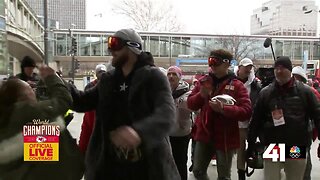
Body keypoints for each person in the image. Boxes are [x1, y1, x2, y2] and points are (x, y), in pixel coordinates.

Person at [70, 29, 180, 180]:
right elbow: (82, 102)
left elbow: (167, 113)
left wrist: (139, 132)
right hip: (108, 168)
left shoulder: (154, 77)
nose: (111, 50)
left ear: (133, 47)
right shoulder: (108, 80)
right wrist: (56, 82)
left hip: (146, 167)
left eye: (115, 44)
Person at [0, 66, 84, 179]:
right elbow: (63, 100)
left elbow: (39, 155)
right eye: (30, 89)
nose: (34, 91)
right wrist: (52, 78)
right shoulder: (27, 111)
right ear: (21, 98)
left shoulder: (12, 121)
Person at [247, 56, 320, 180]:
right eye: (276, 68)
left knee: (295, 176)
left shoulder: (305, 92)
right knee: (271, 177)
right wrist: (251, 143)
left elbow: (318, 117)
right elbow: (256, 120)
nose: (279, 71)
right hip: (274, 145)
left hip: (295, 146)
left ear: (290, 70)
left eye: (283, 68)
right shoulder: (266, 93)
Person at [187, 49, 252, 180]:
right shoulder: (204, 82)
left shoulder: (237, 85)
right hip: (204, 134)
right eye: (210, 62)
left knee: (224, 176)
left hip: (226, 136)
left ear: (226, 64)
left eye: (215, 62)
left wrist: (224, 109)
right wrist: (201, 95)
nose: (212, 66)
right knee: (198, 170)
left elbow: (246, 111)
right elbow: (191, 104)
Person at [234, 58, 261, 180]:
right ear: (239, 68)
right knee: (237, 149)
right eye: (245, 67)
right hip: (234, 123)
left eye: (250, 67)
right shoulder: (231, 81)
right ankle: (240, 172)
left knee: (246, 149)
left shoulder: (255, 85)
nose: (247, 70)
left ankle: (243, 171)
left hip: (249, 123)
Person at [292, 66, 320, 180]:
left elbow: (317, 113)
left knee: (302, 161)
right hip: (286, 134)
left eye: (296, 77)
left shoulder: (310, 92)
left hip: (303, 133)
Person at [167, 66, 192, 180]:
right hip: (167, 134)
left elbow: (191, 106)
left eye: (174, 74)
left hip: (181, 133)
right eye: (169, 74)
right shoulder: (164, 91)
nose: (171, 76)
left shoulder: (186, 93)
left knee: (180, 163)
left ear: (179, 77)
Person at [78, 64, 107, 154]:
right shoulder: (90, 86)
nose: (101, 75)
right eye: (99, 72)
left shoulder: (111, 86)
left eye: (103, 73)